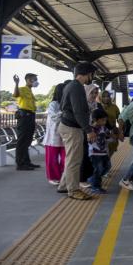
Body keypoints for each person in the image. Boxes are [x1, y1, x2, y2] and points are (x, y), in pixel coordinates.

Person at [57, 62, 97, 200]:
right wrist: (88, 130)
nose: (92, 77)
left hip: (67, 126)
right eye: (92, 74)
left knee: (70, 158)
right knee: (74, 160)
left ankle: (63, 185)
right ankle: (73, 190)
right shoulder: (77, 88)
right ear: (86, 74)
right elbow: (79, 111)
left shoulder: (71, 86)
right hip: (72, 128)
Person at [12, 73, 40, 170]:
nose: (36, 81)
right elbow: (16, 94)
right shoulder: (22, 89)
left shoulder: (30, 91)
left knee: (28, 141)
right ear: (28, 80)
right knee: (22, 141)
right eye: (34, 79)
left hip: (30, 116)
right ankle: (20, 164)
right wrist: (16, 83)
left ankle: (27, 162)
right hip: (24, 117)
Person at [43, 83, 67, 185]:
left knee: (65, 157)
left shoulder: (66, 103)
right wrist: (65, 112)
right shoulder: (53, 104)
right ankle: (52, 177)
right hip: (53, 136)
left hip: (65, 134)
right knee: (51, 158)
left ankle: (63, 175)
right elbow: (54, 117)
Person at [88, 109, 115, 194]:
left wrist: (113, 137)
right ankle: (95, 186)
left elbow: (108, 135)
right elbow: (88, 140)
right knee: (98, 168)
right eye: (103, 120)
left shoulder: (103, 128)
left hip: (103, 152)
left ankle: (93, 178)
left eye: (105, 120)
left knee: (107, 166)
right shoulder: (91, 130)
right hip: (94, 153)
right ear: (96, 120)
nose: (104, 122)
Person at [79, 84, 100, 188]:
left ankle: (87, 177)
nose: (94, 95)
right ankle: (81, 179)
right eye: (92, 92)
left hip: (91, 131)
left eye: (96, 93)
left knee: (90, 155)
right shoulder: (82, 104)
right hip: (83, 132)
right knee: (84, 156)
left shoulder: (95, 104)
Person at [99, 90, 124, 158]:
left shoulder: (114, 107)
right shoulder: (98, 106)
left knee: (112, 147)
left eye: (108, 96)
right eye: (104, 96)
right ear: (100, 97)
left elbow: (120, 118)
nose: (106, 98)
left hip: (113, 131)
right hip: (101, 132)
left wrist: (120, 130)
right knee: (101, 150)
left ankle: (107, 162)